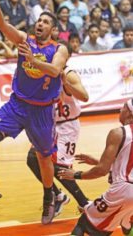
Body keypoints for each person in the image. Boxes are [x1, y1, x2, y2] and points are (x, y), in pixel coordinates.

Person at [0, 0, 69, 226]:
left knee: (44, 158)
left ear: (53, 29)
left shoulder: (59, 49)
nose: (40, 24)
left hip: (42, 111)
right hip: (17, 104)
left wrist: (33, 60)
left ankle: (50, 196)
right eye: (39, 20)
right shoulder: (25, 40)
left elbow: (55, 71)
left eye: (45, 22)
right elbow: (3, 25)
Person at [27, 45, 89, 217]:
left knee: (59, 167)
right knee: (33, 159)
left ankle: (85, 203)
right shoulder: (43, 73)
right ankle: (58, 195)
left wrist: (66, 83)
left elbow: (84, 96)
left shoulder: (69, 74)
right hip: (50, 125)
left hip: (67, 126)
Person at [58, 98, 133, 236]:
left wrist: (75, 174)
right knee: (125, 224)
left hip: (122, 191)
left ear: (129, 113)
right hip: (129, 192)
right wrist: (97, 161)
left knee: (85, 221)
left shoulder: (118, 133)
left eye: (123, 107)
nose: (120, 110)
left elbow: (101, 171)